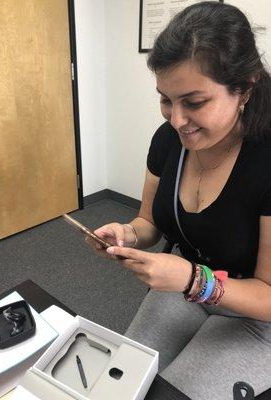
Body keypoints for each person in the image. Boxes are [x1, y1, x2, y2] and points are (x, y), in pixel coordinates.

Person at [87, 2, 271, 399]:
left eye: (194, 102)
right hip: (186, 291)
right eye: (165, 99)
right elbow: (149, 223)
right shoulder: (169, 140)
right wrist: (126, 235)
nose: (176, 120)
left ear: (246, 86)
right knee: (119, 386)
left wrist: (191, 279)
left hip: (258, 318)